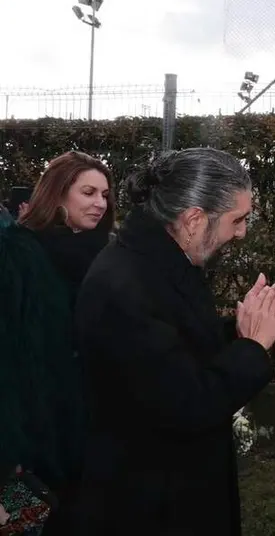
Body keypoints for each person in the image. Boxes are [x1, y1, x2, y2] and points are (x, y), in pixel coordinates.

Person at [73, 147, 275, 536]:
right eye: (238, 219)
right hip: (149, 507)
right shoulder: (125, 286)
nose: (242, 232)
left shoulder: (163, 263)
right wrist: (252, 347)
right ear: (194, 219)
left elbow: (182, 346)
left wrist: (242, 328)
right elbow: (188, 404)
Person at [0, 152, 115, 535]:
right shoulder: (17, 253)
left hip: (92, 436)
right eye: (88, 192)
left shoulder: (106, 260)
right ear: (58, 193)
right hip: (33, 440)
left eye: (104, 194)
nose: (100, 203)